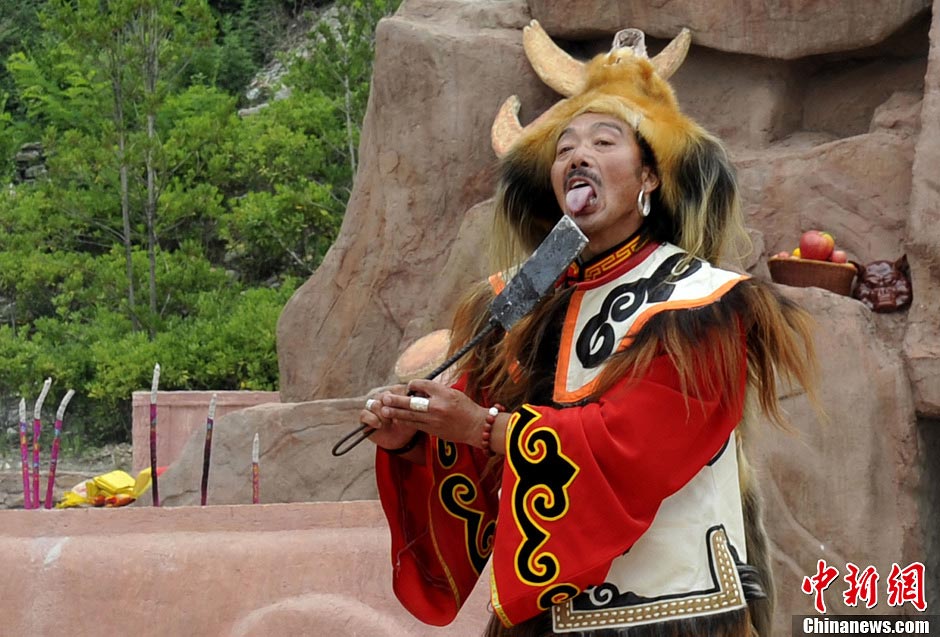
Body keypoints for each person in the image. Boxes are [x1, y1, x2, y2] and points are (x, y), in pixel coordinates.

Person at [359, 23, 817, 637]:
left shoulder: (702, 301)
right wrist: (413, 436)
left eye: (605, 142)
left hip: (667, 611)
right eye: (565, 147)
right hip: (541, 618)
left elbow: (642, 440)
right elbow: (476, 451)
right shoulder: (516, 304)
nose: (577, 155)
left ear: (649, 178)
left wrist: (484, 427)